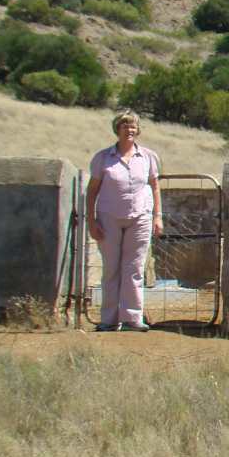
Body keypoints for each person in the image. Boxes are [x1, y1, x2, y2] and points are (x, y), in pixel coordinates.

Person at [86, 110, 163, 331]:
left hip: (140, 217)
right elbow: (92, 191)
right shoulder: (103, 158)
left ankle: (132, 317)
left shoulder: (148, 157)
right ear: (117, 129)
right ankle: (109, 319)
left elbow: (155, 187)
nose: (129, 130)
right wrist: (92, 221)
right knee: (111, 268)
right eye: (124, 126)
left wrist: (158, 217)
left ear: (138, 130)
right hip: (109, 217)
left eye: (133, 126)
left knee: (134, 268)